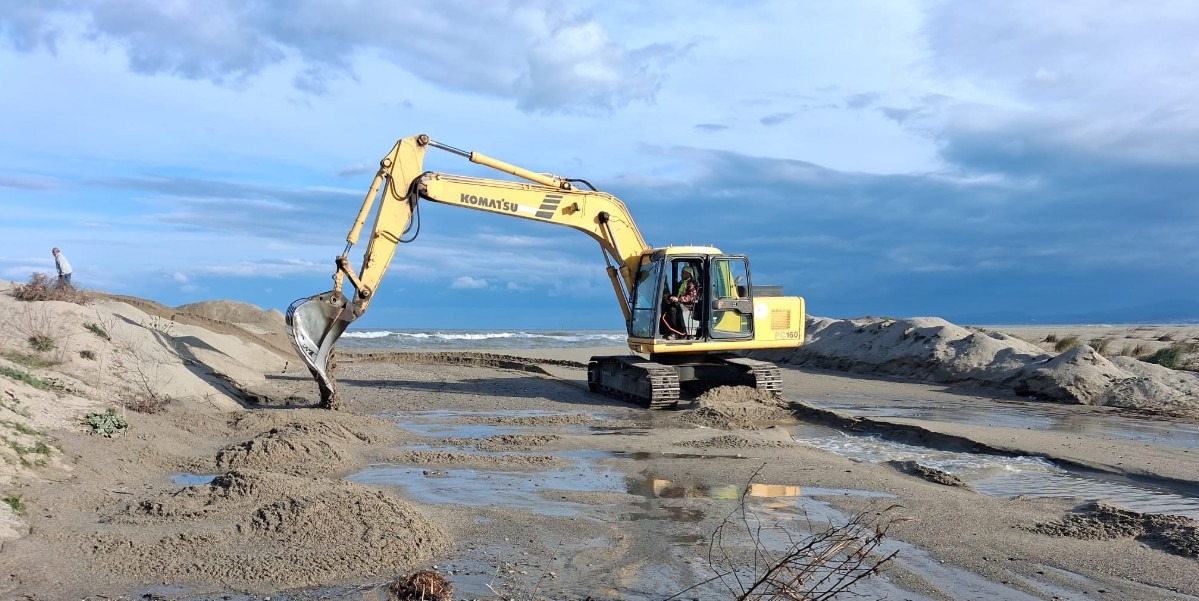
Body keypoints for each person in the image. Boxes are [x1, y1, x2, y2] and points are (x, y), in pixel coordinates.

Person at [662, 266, 698, 339]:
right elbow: (675, 294)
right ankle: (666, 330)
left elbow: (691, 297)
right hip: (679, 304)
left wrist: (679, 299)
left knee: (673, 310)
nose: (681, 274)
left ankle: (675, 332)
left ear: (688, 274)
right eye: (681, 273)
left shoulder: (692, 284)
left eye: (683, 273)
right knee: (664, 306)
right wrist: (670, 297)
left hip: (688, 306)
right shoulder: (680, 283)